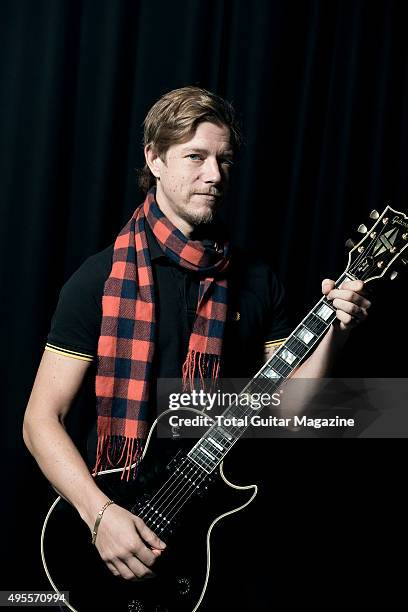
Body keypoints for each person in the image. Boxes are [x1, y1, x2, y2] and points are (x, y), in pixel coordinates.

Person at [23, 87, 371, 588]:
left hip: (216, 536)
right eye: (196, 157)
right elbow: (40, 420)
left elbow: (293, 413)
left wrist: (336, 330)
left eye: (224, 160)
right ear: (154, 159)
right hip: (115, 514)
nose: (214, 175)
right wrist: (99, 515)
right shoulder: (97, 281)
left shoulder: (258, 281)